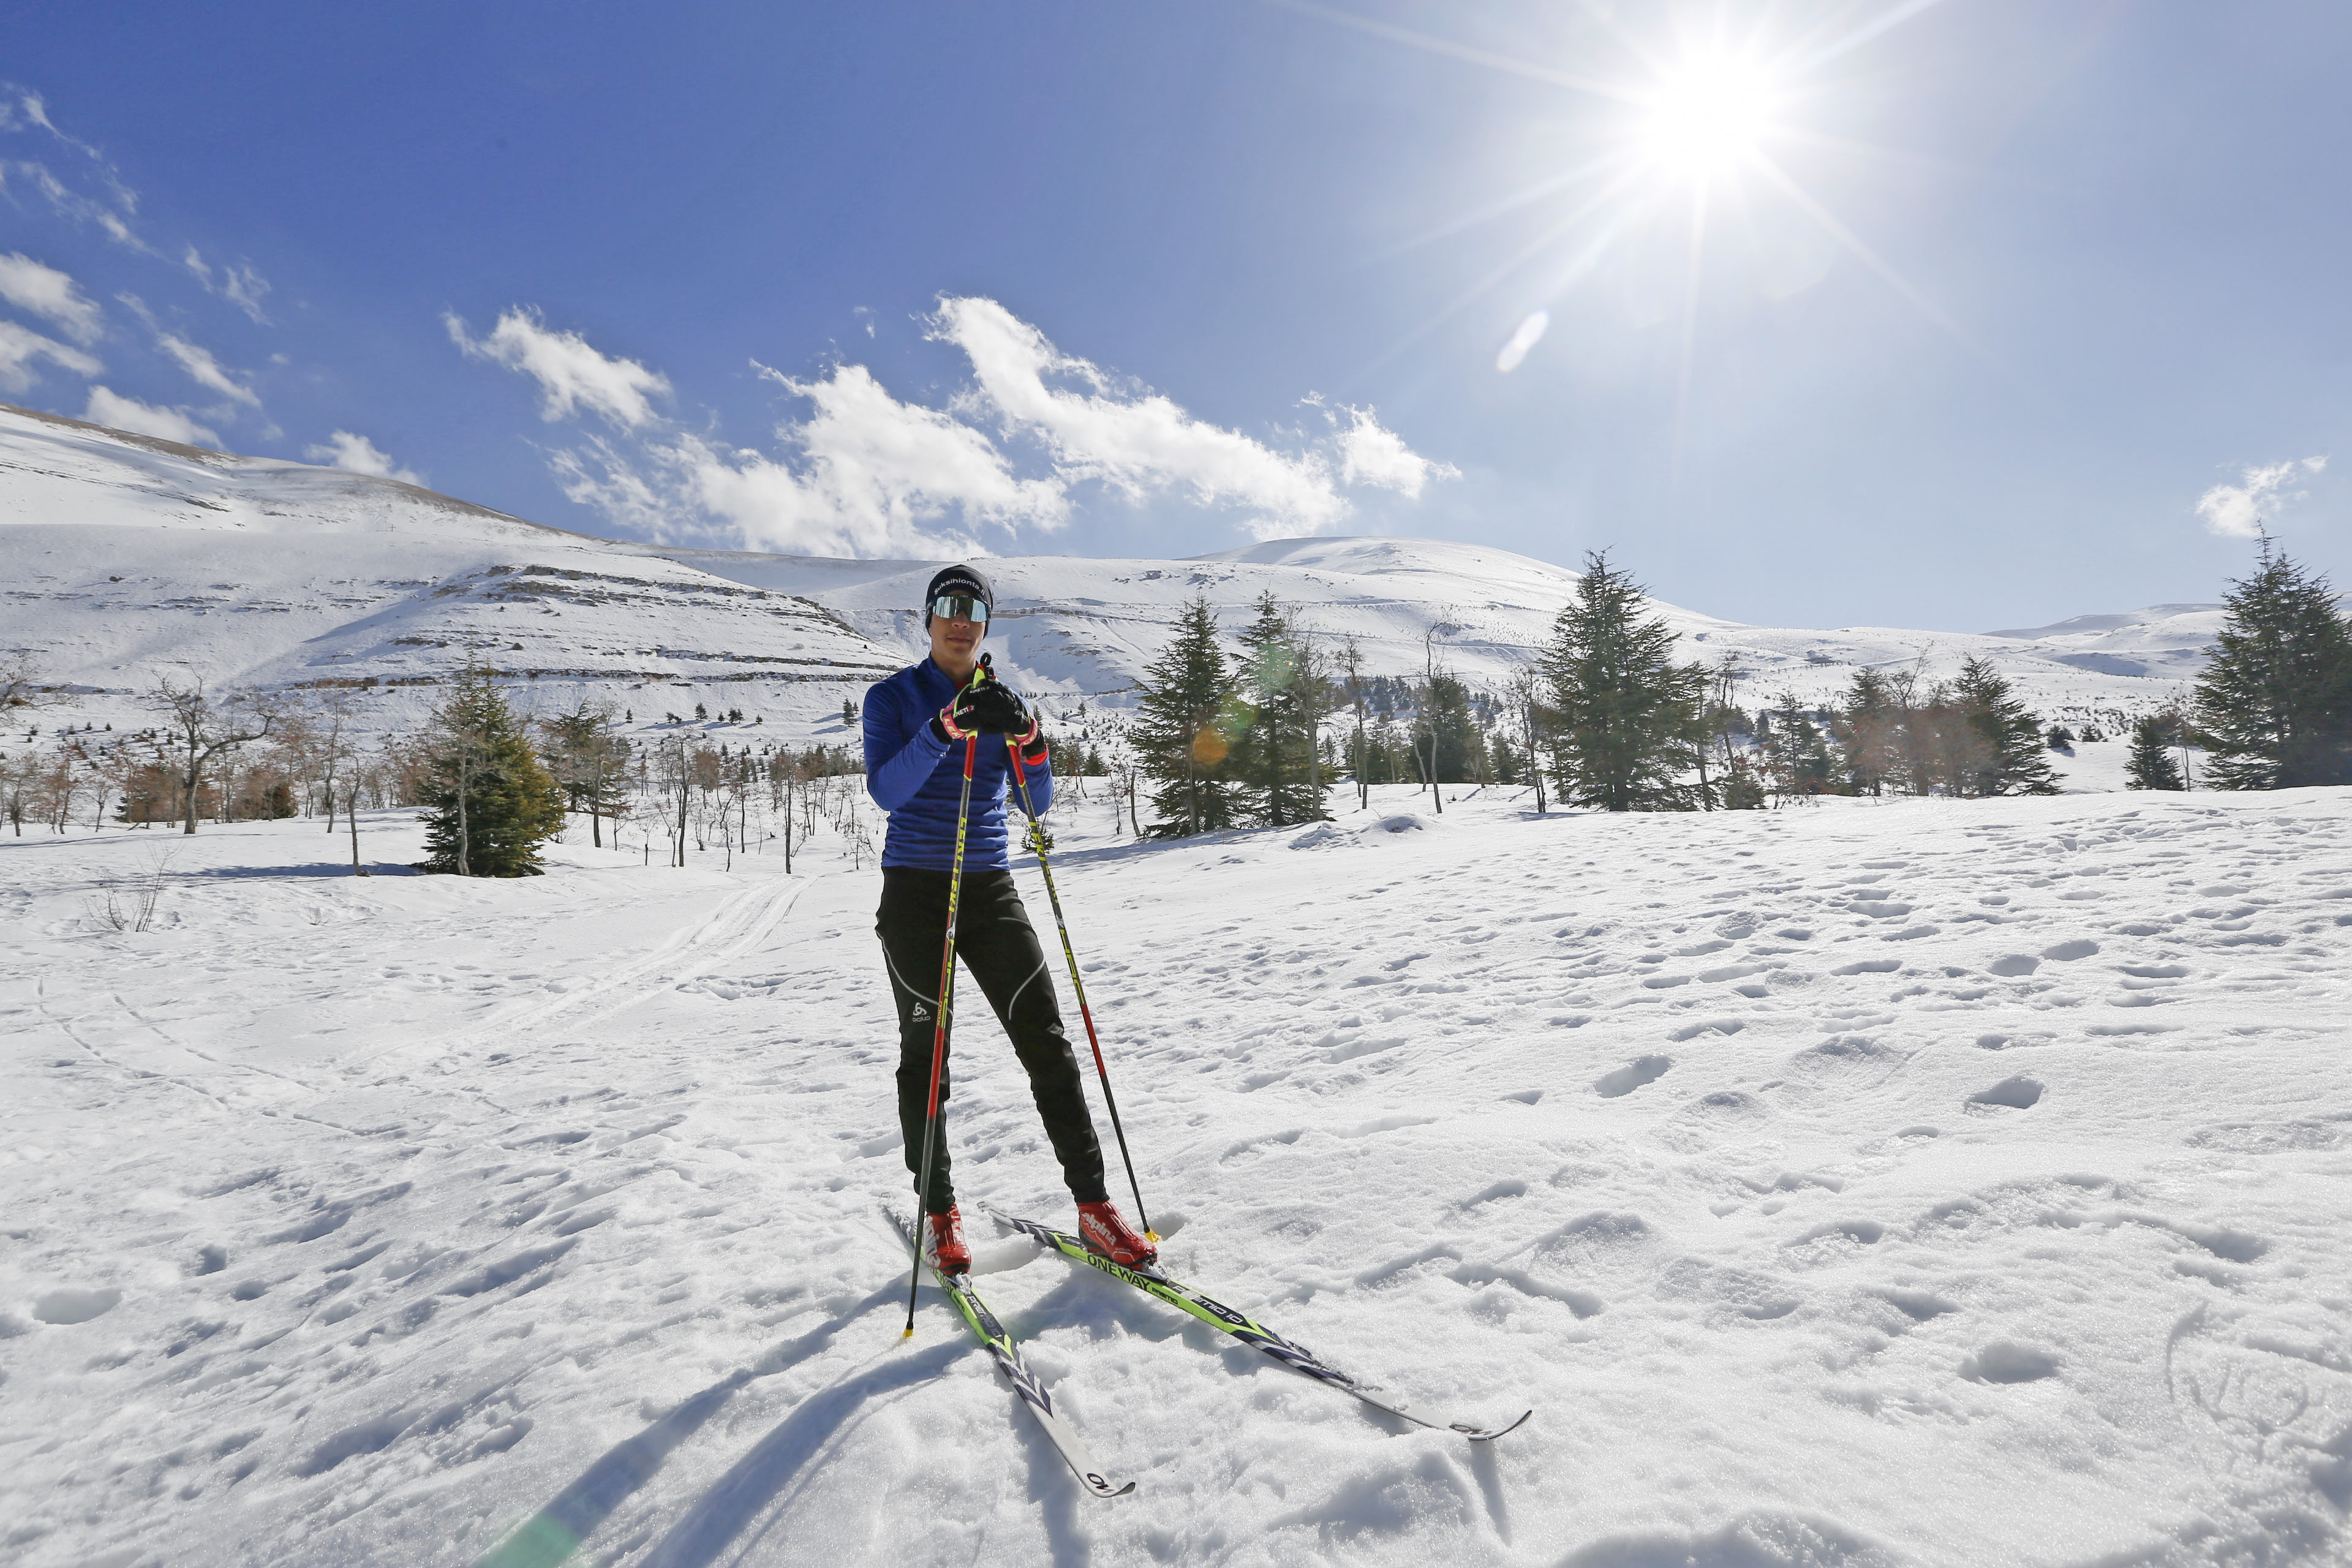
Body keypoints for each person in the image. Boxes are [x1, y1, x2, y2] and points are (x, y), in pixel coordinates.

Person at [862, 565, 1156, 1275]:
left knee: (1047, 1042)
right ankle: (940, 1213)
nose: (959, 619)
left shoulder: (1005, 700)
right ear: (927, 619)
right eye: (947, 606)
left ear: (986, 624)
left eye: (973, 609)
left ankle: (1095, 1207)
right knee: (927, 1057)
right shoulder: (893, 698)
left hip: (990, 889)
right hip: (916, 893)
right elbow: (887, 790)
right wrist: (943, 728)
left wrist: (1029, 739)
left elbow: (1036, 802)